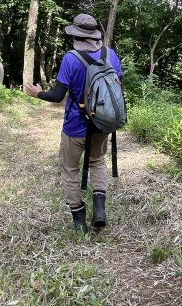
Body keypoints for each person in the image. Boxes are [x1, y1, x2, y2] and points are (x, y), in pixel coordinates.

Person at [23, 13, 123, 233]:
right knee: (97, 162)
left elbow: (58, 96)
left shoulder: (71, 58)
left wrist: (38, 94)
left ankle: (79, 223)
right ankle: (99, 210)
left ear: (76, 34)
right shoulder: (111, 54)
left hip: (75, 126)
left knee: (70, 169)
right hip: (101, 124)